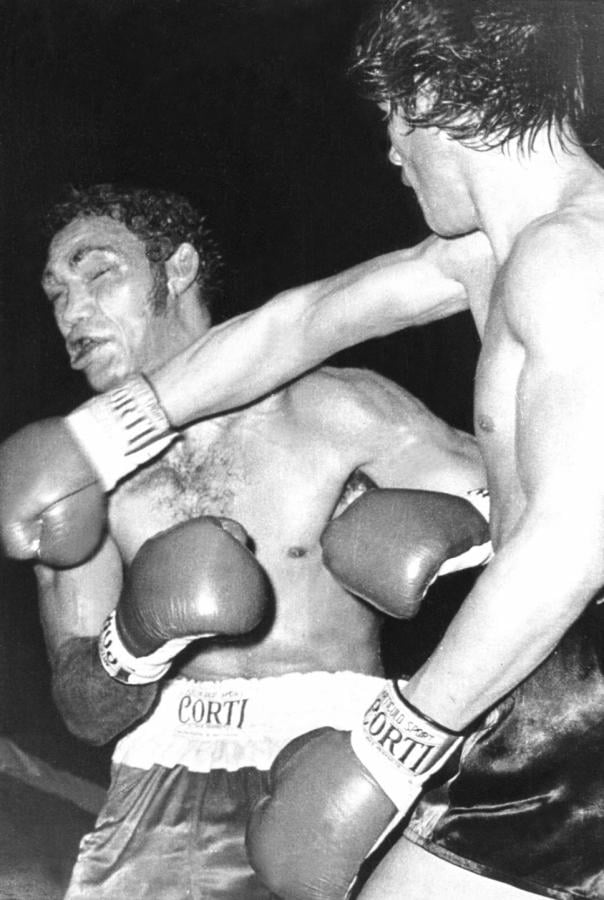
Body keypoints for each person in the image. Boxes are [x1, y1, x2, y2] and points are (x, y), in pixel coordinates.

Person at [5, 1, 601, 896]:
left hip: (565, 685)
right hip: (536, 690)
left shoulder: (569, 256)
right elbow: (303, 320)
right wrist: (99, 437)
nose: (393, 153)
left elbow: (574, 535)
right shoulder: (490, 256)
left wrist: (397, 741)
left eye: (394, 120)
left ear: (436, 91)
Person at [0, 184, 490, 899]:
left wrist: (467, 530)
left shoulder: (340, 408)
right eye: (55, 293)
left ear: (179, 269)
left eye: (98, 272)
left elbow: (546, 507)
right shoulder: (75, 479)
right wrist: (133, 642)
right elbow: (82, 710)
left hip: (343, 762)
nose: (72, 312)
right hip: (158, 793)